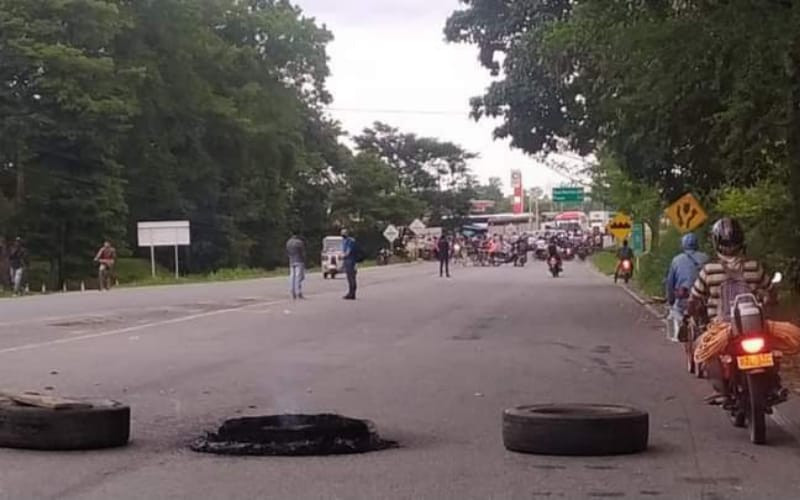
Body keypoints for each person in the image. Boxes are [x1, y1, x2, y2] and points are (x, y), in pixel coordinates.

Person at [689, 218, 773, 403]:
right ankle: (773, 385)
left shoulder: (709, 270)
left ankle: (723, 391)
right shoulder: (754, 266)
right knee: (773, 347)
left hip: (721, 328)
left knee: (703, 349)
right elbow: (769, 290)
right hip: (755, 327)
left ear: (716, 242)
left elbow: (694, 297)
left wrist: (693, 311)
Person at [665, 233, 709, 341]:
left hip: (683, 299)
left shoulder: (676, 260)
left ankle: (681, 327)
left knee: (675, 310)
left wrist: (670, 300)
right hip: (703, 300)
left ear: (683, 245)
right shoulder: (705, 258)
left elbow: (670, 283)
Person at [285, 232, 306, 300]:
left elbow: (287, 252)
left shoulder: (288, 242)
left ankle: (292, 291)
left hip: (291, 260)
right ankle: (298, 292)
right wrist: (304, 260)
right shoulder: (299, 242)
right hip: (299, 261)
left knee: (292, 276)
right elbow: (302, 252)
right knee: (299, 277)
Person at [341, 228, 358, 300]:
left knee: (351, 278)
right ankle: (350, 293)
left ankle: (352, 293)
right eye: (341, 233)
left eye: (344, 233)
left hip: (350, 261)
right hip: (347, 260)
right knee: (349, 278)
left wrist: (344, 256)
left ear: (347, 233)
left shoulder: (350, 241)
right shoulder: (344, 241)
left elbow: (348, 251)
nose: (342, 234)